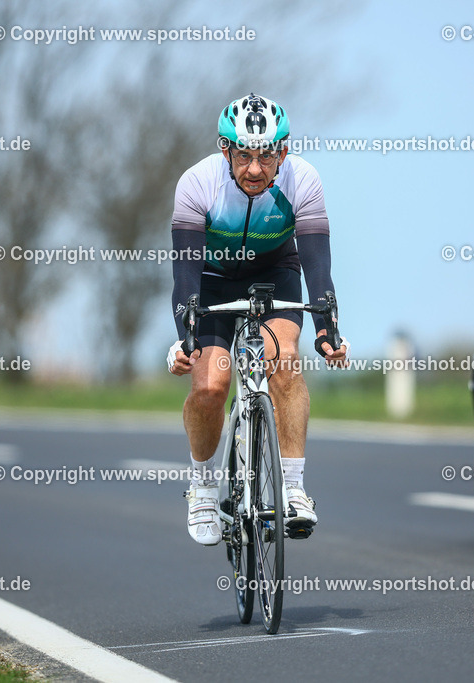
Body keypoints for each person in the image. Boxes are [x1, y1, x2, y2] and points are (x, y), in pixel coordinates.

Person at [167, 93, 349, 545]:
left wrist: (327, 328)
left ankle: (292, 488)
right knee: (210, 386)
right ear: (224, 149)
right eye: (244, 155)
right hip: (210, 278)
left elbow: (317, 266)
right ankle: (205, 486)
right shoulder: (197, 183)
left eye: (266, 155)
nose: (254, 168)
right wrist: (185, 336)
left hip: (274, 274)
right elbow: (186, 272)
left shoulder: (303, 179)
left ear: (282, 151)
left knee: (285, 362)